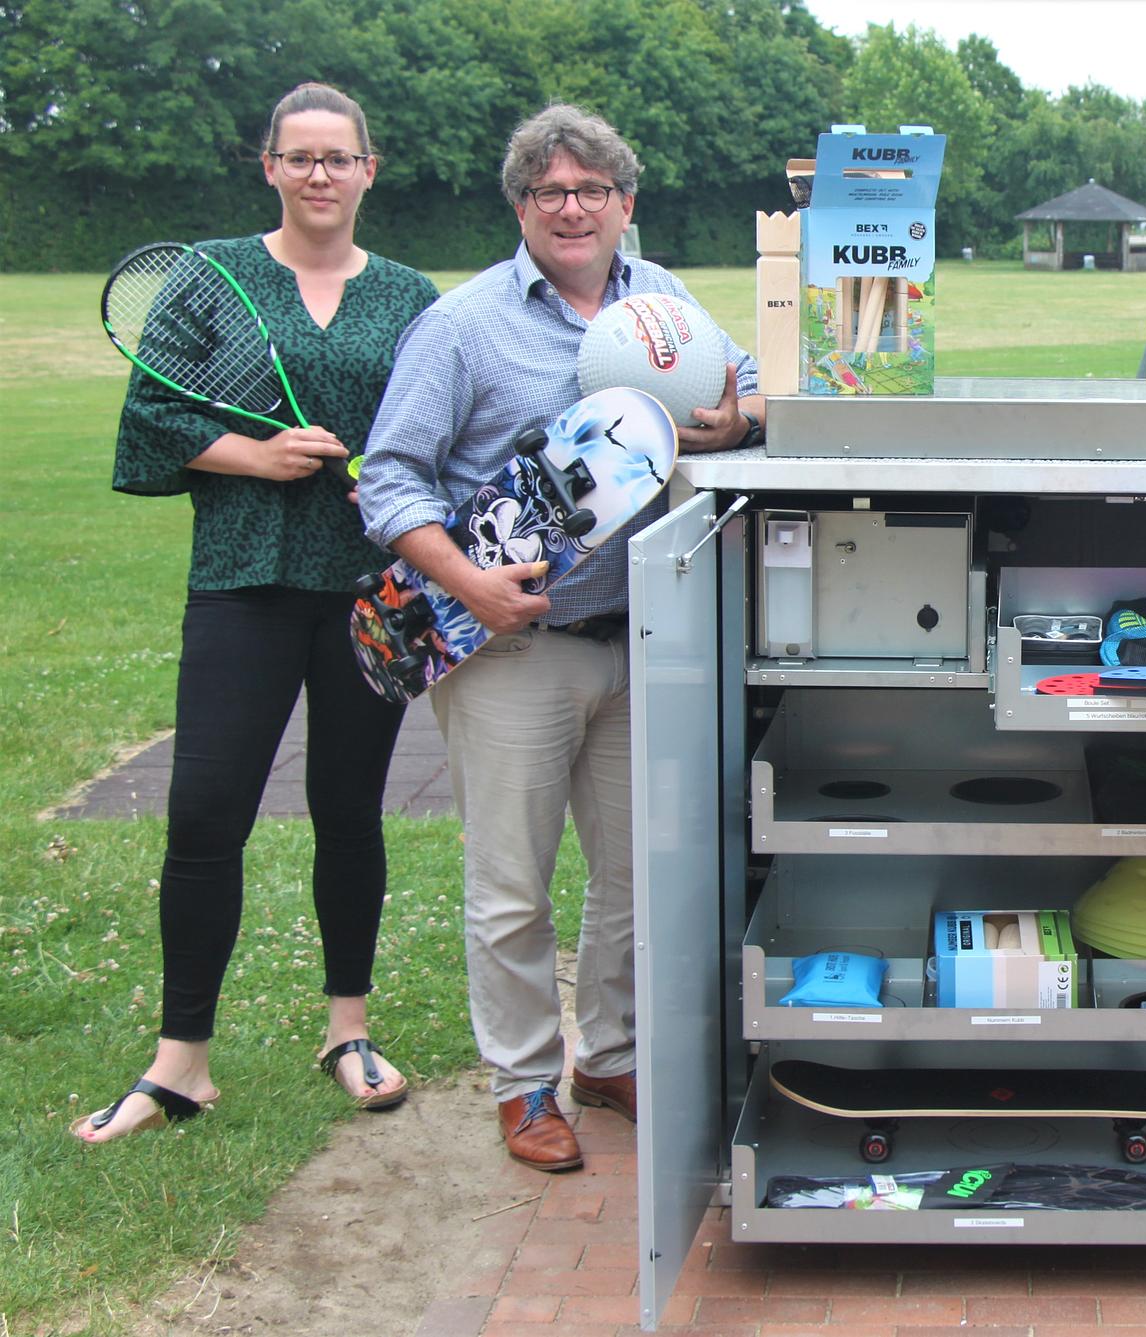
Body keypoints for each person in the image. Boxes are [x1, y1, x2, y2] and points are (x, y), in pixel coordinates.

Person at [357, 104, 762, 1173]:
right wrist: (467, 583)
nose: (572, 206)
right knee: (512, 884)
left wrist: (737, 418)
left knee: (637, 873)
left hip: (646, 640)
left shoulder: (664, 301)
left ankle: (610, 1054)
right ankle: (525, 1080)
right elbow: (390, 475)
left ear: (625, 203)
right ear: (522, 208)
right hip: (511, 650)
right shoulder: (463, 324)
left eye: (592, 189)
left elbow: (752, 380)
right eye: (550, 192)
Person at [76, 84, 439, 1143]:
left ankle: (348, 1027)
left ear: (369, 171)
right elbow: (154, 417)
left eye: (339, 157)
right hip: (242, 575)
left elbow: (436, 428)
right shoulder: (211, 279)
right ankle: (181, 1059)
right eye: (300, 157)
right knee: (206, 811)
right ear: (269, 167)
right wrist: (261, 456)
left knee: (348, 808)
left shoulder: (412, 295)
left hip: (370, 585)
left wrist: (400, 487)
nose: (319, 174)